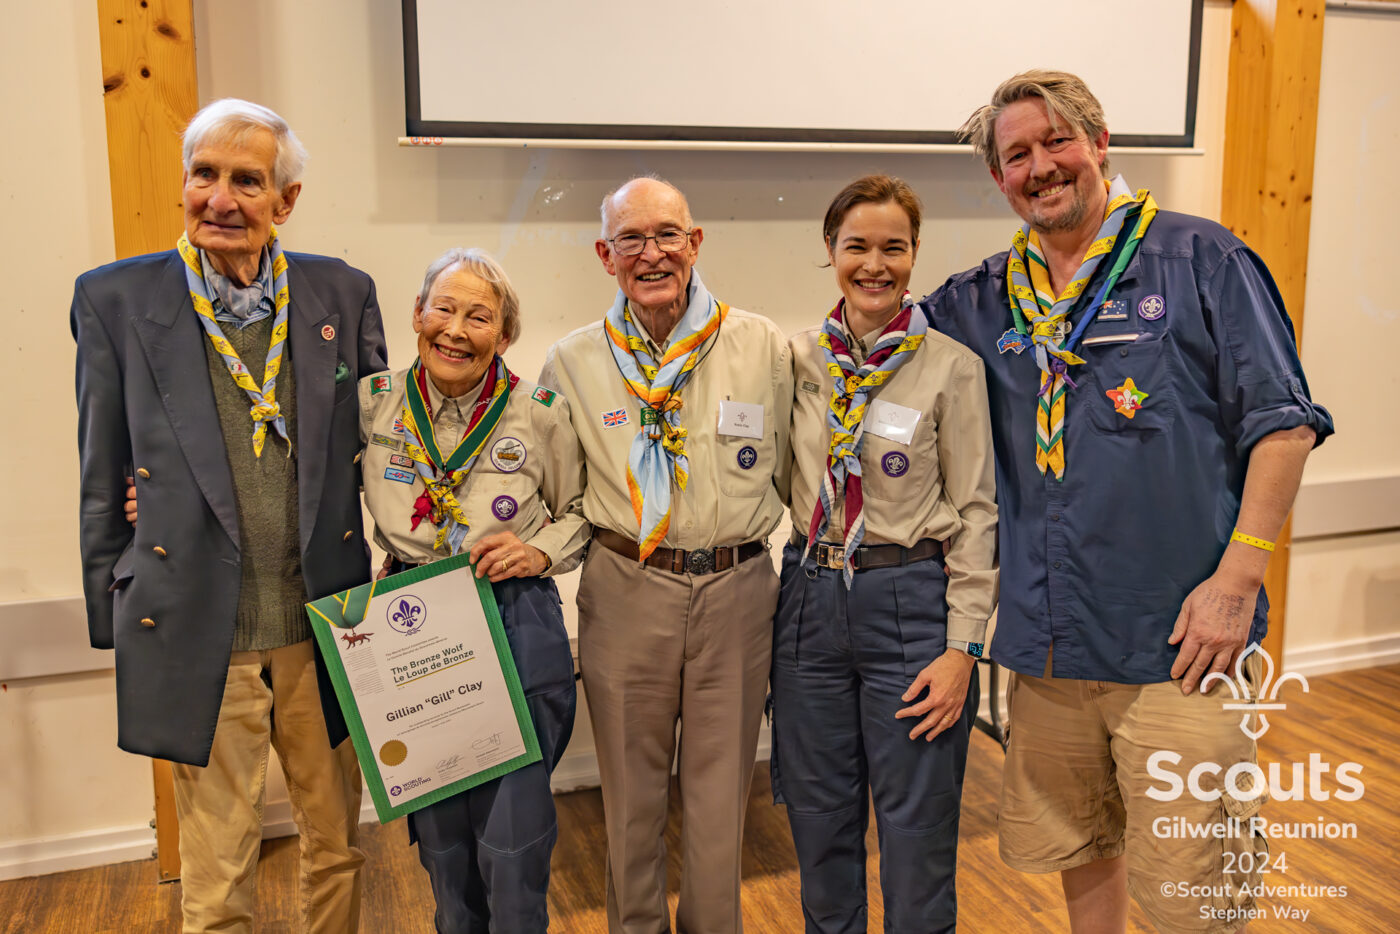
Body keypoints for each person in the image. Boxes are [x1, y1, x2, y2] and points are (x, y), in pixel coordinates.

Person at [925, 70, 1334, 933]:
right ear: (998, 178)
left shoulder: (1201, 259)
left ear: (1101, 145)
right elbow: (874, 341)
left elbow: (1284, 429)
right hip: (1049, 650)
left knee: (1194, 889)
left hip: (1182, 647)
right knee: (1083, 854)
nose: (1041, 167)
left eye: (1057, 142)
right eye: (1017, 155)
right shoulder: (980, 299)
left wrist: (1238, 584)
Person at [71, 99, 386, 932]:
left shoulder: (342, 293)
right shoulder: (113, 299)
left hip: (323, 618)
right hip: (198, 624)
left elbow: (384, 446)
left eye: (247, 181)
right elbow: (101, 470)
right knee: (218, 864)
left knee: (338, 845)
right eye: (203, 174)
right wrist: (116, 614)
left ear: (285, 202)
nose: (218, 197)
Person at [538, 176, 793, 933]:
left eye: (666, 235)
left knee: (721, 804)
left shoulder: (763, 346)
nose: (651, 254)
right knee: (630, 800)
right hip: (626, 587)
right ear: (605, 255)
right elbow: (562, 498)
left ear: (695, 243)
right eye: (631, 240)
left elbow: (796, 473)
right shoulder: (571, 362)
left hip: (738, 587)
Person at [774, 174, 997, 933]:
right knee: (818, 818)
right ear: (830, 251)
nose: (875, 264)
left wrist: (964, 646)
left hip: (910, 602)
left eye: (893, 248)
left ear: (915, 253)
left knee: (917, 829)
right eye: (856, 246)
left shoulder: (952, 367)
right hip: (809, 598)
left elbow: (976, 514)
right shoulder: (794, 362)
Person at [358, 247, 587, 933]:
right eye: (444, 309)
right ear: (417, 316)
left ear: (505, 335)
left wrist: (537, 549)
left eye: (479, 316)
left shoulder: (538, 412)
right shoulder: (374, 405)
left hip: (511, 617)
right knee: (441, 845)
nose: (456, 329)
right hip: (411, 621)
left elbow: (582, 513)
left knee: (510, 843)